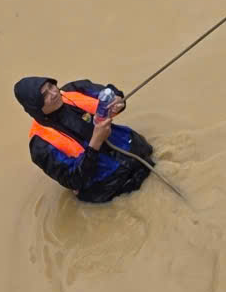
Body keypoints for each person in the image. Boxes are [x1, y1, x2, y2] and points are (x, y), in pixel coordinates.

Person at [14, 76, 156, 204]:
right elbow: (72, 180)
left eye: (51, 86)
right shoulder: (40, 145)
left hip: (135, 150)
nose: (54, 93)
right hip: (110, 186)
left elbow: (109, 92)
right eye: (44, 95)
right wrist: (95, 143)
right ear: (35, 106)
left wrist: (118, 101)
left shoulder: (74, 89)